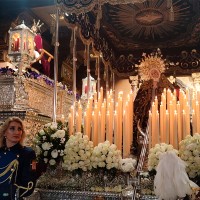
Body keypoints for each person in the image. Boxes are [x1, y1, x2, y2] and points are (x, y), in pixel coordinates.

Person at [0, 117, 37, 200]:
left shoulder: (27, 153)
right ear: (5, 132)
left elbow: (29, 185)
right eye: (12, 128)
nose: (16, 132)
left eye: (19, 129)